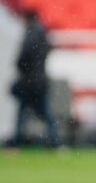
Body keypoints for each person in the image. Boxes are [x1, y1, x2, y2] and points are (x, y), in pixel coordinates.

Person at [7, 10, 60, 148]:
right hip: (40, 80)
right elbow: (47, 50)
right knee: (44, 112)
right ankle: (55, 141)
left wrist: (21, 68)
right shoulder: (42, 33)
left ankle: (17, 142)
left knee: (23, 111)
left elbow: (24, 56)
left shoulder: (31, 33)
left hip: (30, 81)